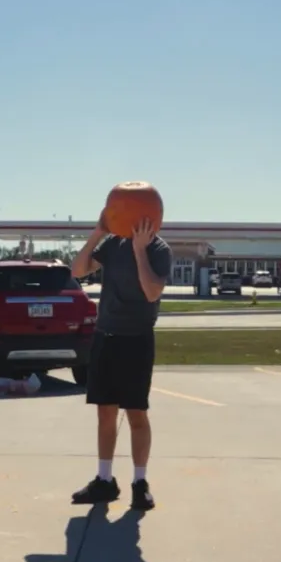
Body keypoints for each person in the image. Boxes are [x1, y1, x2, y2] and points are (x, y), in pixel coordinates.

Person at [69, 217, 173, 511]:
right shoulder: (112, 245)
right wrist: (98, 232)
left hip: (137, 338)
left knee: (137, 414)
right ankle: (105, 480)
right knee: (105, 413)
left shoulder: (159, 249)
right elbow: (77, 270)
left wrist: (140, 250)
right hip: (106, 336)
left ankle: (140, 484)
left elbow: (152, 291)